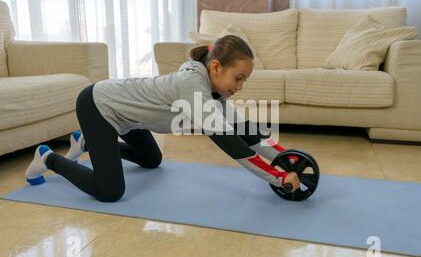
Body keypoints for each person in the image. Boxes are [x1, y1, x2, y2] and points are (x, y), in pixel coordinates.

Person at [25, 35, 300, 202]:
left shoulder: (210, 89)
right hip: (98, 105)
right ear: (216, 67)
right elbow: (231, 143)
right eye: (238, 78)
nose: (240, 87)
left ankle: (85, 144)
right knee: (109, 191)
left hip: (128, 116)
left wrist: (286, 157)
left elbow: (244, 129)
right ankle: (47, 158)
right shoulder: (193, 87)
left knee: (152, 161)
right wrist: (278, 177)